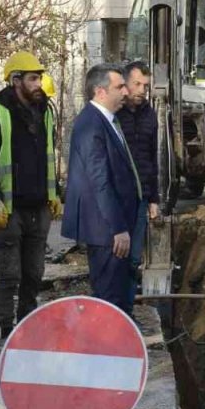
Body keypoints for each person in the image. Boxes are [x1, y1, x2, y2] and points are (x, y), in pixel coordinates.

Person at [0, 51, 62, 352]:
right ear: (16, 81)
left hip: (39, 207)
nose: (39, 83)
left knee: (34, 274)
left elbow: (49, 157)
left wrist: (56, 194)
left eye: (39, 77)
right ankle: (5, 333)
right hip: (10, 210)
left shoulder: (45, 112)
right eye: (32, 78)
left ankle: (26, 329)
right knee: (10, 274)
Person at [62, 63, 143, 323]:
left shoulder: (107, 120)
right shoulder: (91, 125)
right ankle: (109, 347)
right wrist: (118, 228)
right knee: (109, 297)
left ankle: (120, 337)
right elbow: (100, 181)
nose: (126, 92)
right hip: (105, 228)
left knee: (119, 292)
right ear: (100, 91)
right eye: (119, 87)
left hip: (114, 224)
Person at [115, 60, 163, 337]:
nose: (142, 90)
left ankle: (127, 313)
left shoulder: (148, 115)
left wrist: (154, 198)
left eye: (146, 85)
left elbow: (151, 158)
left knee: (133, 260)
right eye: (137, 85)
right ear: (124, 84)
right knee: (114, 259)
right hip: (116, 198)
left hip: (141, 197)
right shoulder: (114, 113)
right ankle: (113, 313)